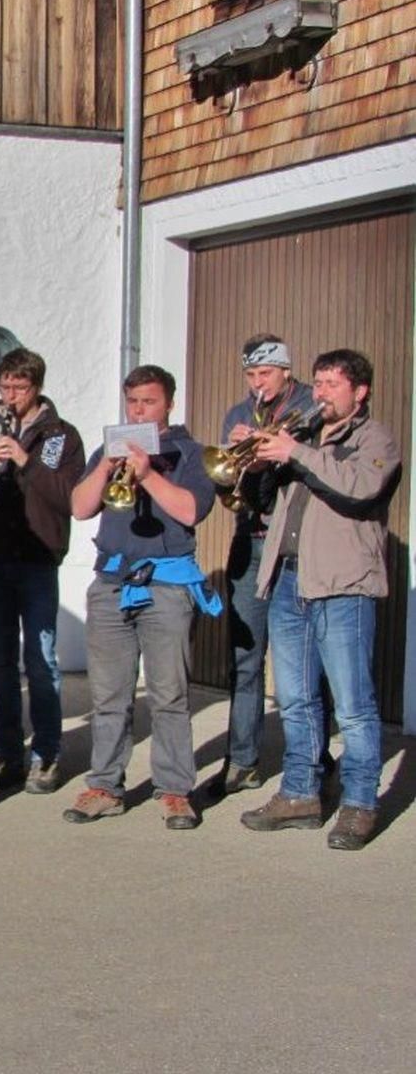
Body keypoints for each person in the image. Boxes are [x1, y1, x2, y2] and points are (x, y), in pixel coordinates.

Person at [240, 349, 400, 850]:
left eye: (332, 383)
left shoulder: (376, 439)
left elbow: (361, 488)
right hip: (290, 579)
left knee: (353, 705)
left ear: (360, 391)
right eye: (318, 382)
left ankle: (359, 804)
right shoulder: (303, 437)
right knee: (295, 699)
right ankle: (300, 794)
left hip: (344, 585)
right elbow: (263, 503)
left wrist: (296, 453)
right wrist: (254, 458)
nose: (321, 392)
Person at [64, 365, 220, 830]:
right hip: (112, 583)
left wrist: (148, 474)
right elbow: (80, 507)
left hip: (168, 585)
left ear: (169, 402)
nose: (138, 410)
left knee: (169, 693)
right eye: (132, 401)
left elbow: (191, 510)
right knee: (109, 695)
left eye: (148, 402)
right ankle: (105, 785)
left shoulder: (191, 454)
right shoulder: (107, 449)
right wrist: (109, 469)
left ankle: (174, 789)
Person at [210, 335, 330, 797]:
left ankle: (316, 756)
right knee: (245, 657)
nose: (258, 383)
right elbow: (228, 486)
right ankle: (242, 760)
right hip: (250, 536)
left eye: (265, 373)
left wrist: (272, 447)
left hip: (296, 543)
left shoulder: (309, 407)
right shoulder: (239, 414)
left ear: (285, 371)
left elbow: (313, 467)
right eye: (251, 375)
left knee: (305, 658)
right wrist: (236, 461)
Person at [0, 348, 84, 794]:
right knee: (1, 662)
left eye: (19, 387)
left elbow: (71, 497)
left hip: (37, 561)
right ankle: (9, 754)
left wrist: (27, 463)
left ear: (37, 387)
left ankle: (47, 753)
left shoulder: (62, 437)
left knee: (42, 659)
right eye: (4, 387)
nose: (9, 396)